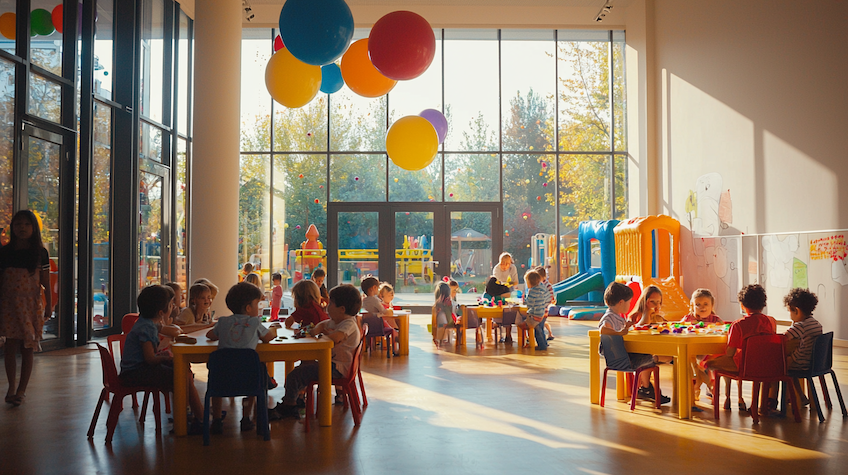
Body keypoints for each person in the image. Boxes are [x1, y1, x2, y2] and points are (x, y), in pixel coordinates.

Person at [120, 285, 205, 434]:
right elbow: (150, 358)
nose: (173, 308)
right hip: (135, 373)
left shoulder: (146, 323)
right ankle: (193, 419)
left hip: (136, 370)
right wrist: (163, 358)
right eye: (171, 305)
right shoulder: (147, 328)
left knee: (182, 371)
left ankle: (191, 416)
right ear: (161, 312)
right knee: (181, 374)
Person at [272, 284, 362, 420]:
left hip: (337, 369)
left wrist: (322, 334)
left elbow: (337, 337)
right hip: (332, 364)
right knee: (301, 371)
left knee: (295, 375)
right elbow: (323, 324)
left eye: (331, 303)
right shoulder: (336, 321)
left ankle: (289, 406)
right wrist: (316, 330)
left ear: (342, 309)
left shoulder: (348, 323)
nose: (327, 306)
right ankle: (296, 398)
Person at [206, 282, 279, 433]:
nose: (259, 308)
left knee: (215, 381)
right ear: (248, 308)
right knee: (256, 371)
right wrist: (272, 329)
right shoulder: (254, 322)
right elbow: (268, 338)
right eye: (257, 304)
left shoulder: (223, 321)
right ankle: (246, 418)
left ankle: (217, 419)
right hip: (248, 377)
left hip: (223, 376)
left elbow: (210, 335)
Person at [0, 210, 53, 406]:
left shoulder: (40, 253)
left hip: (31, 304)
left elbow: (45, 282)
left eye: (26, 224)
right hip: (9, 304)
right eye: (18, 224)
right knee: (10, 345)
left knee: (28, 346)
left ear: (34, 228)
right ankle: (11, 388)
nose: (22, 228)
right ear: (12, 228)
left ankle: (22, 390)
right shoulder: (5, 252)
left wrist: (50, 304)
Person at [705, 284, 776, 412]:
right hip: (766, 365)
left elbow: (730, 353)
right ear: (763, 304)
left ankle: (713, 393)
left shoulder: (738, 325)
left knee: (708, 363)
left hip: (745, 367)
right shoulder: (770, 322)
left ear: (742, 305)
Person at [598, 282, 670, 404]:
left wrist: (626, 327)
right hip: (623, 358)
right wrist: (619, 333)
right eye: (629, 302)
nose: (630, 304)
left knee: (652, 357)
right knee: (653, 358)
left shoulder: (617, 317)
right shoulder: (609, 317)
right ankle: (646, 389)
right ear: (621, 302)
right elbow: (603, 329)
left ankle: (647, 388)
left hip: (621, 357)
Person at [680, 288, 724, 407]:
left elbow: (723, 333)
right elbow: (679, 332)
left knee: (701, 365)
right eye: (698, 304)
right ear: (692, 306)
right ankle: (708, 386)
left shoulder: (716, 320)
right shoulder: (688, 319)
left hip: (709, 353)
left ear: (712, 305)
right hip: (691, 352)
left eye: (706, 304)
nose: (702, 307)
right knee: (694, 364)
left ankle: (701, 386)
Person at [783, 288, 823, 406]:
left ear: (797, 311)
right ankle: (800, 395)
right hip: (814, 363)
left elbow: (783, 339)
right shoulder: (816, 324)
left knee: (780, 365)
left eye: (790, 311)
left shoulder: (799, 327)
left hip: (800, 363)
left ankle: (779, 401)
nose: (790, 315)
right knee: (789, 363)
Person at [361, 277, 398, 355]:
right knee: (394, 330)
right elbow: (383, 311)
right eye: (377, 288)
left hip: (369, 326)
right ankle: (395, 350)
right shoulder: (375, 300)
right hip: (379, 325)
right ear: (374, 288)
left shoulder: (364, 300)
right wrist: (389, 310)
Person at [521, 270, 548, 351]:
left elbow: (529, 304)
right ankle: (544, 344)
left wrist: (525, 301)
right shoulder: (542, 288)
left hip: (534, 314)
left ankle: (541, 346)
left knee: (536, 330)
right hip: (541, 313)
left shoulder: (532, 292)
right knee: (540, 329)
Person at [535, 266, 556, 341]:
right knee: (540, 326)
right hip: (539, 310)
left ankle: (542, 344)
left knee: (539, 327)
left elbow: (550, 297)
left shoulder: (547, 285)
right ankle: (543, 343)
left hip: (543, 310)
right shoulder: (537, 285)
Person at [432, 282, 455, 349]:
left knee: (443, 318)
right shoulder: (437, 306)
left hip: (449, 320)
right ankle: (441, 339)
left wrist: (449, 306)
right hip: (443, 323)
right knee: (442, 316)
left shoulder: (450, 303)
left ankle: (444, 339)